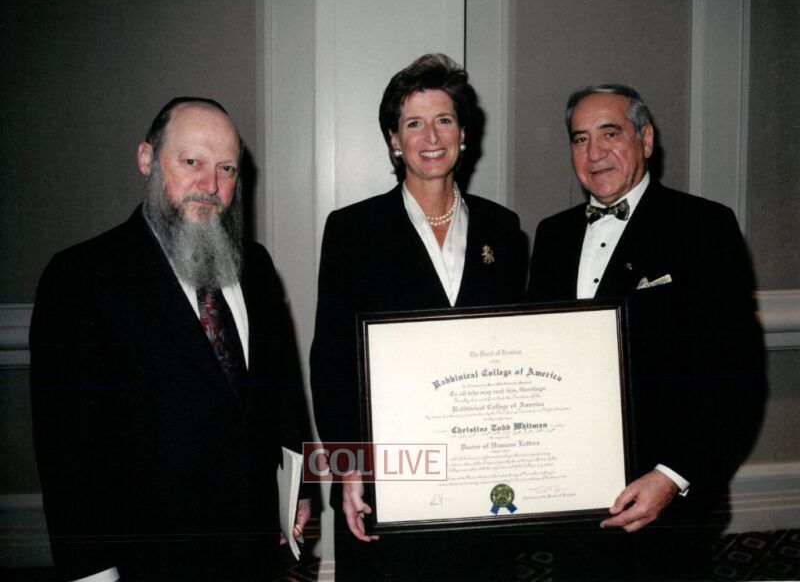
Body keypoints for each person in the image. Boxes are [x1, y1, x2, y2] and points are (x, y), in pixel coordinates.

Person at [30, 97, 314, 582]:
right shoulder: (81, 277)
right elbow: (67, 452)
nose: (211, 185)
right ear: (147, 159)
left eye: (226, 168)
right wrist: (92, 572)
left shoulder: (256, 265)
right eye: (191, 162)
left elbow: (281, 393)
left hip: (254, 552)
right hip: (152, 562)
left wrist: (298, 489)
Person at [526, 84, 766, 580]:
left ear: (647, 139)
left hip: (664, 496)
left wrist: (672, 476)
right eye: (580, 139)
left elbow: (736, 375)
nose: (594, 154)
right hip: (572, 488)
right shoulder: (552, 235)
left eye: (610, 133)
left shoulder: (704, 226)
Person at [310, 54, 528, 580]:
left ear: (464, 134)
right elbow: (331, 360)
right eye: (413, 123)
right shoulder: (351, 230)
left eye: (444, 120)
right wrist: (348, 467)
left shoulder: (504, 229)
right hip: (391, 470)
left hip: (481, 468)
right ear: (393, 139)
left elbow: (519, 349)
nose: (431, 136)